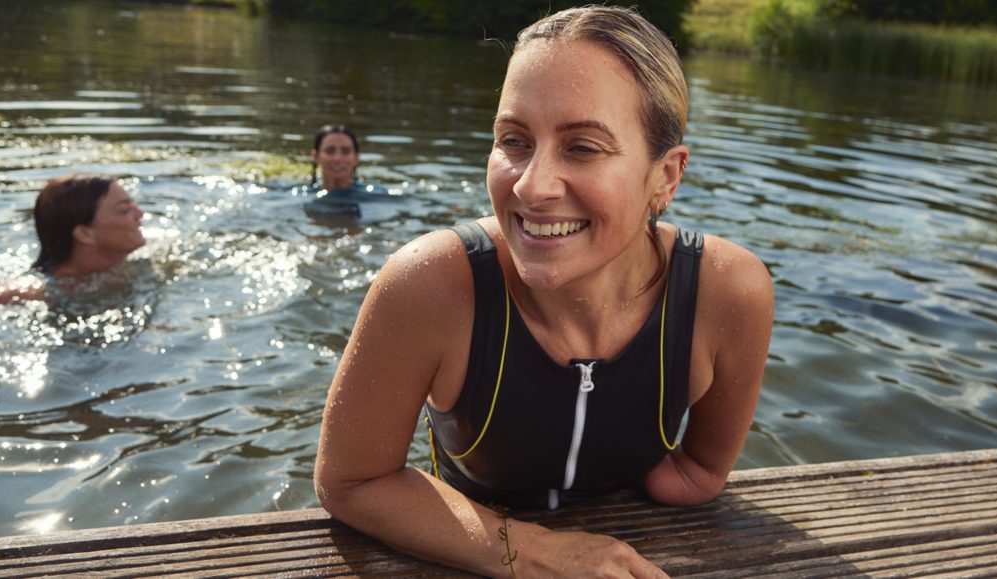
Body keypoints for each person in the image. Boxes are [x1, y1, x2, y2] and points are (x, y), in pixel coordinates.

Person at [315, 6, 774, 577]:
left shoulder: (726, 293)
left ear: (667, 176)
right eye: (514, 139)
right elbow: (352, 479)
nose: (532, 187)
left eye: (583, 147)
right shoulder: (430, 284)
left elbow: (700, 473)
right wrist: (532, 553)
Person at [0, 174, 146, 305]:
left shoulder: (150, 260)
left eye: (133, 204)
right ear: (84, 234)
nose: (140, 213)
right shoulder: (22, 295)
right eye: (124, 210)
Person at [303, 124, 364, 220]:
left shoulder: (378, 196)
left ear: (356, 158)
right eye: (330, 151)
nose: (337, 158)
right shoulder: (300, 195)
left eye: (346, 151)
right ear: (315, 156)